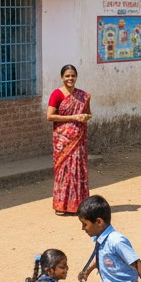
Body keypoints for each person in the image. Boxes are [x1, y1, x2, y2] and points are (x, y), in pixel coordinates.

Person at [47, 64, 92, 216]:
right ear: (62, 78)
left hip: (78, 139)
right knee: (64, 171)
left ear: (76, 77)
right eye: (67, 76)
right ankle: (61, 206)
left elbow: (88, 114)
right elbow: (50, 116)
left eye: (72, 76)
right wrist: (72, 117)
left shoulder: (83, 96)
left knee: (77, 170)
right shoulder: (57, 94)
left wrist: (84, 117)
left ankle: (77, 205)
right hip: (62, 140)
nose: (70, 79)